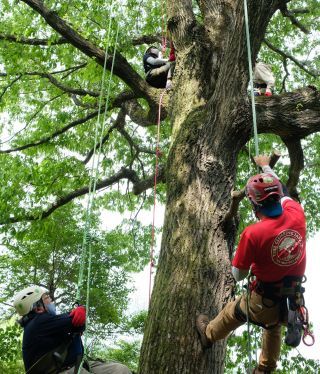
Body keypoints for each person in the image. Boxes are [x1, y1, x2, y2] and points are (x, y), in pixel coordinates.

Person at [196, 155, 307, 374]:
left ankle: (208, 334)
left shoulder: (253, 234)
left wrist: (243, 256)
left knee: (232, 311)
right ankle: (265, 369)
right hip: (292, 297)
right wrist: (265, 166)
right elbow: (282, 189)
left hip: (265, 299)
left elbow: (238, 275)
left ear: (255, 204)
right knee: (272, 326)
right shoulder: (296, 213)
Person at [13, 285, 132, 374]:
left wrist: (79, 315)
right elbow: (73, 321)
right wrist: (79, 310)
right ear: (38, 308)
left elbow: (78, 324)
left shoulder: (46, 323)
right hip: (61, 371)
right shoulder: (38, 323)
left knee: (120, 370)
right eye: (47, 298)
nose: (51, 301)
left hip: (76, 365)